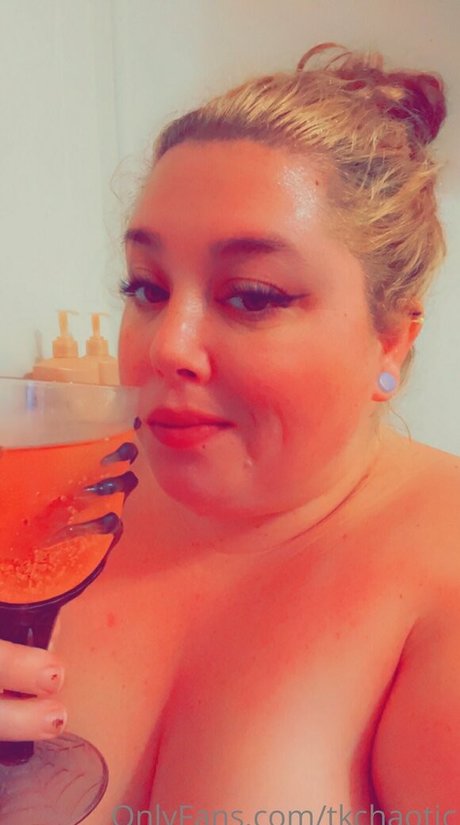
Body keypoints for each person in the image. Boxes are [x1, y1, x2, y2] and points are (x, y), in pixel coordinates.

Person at [1, 42, 459, 823]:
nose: (166, 346)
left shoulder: (441, 574)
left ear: (391, 341)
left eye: (251, 295)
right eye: (147, 287)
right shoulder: (60, 509)